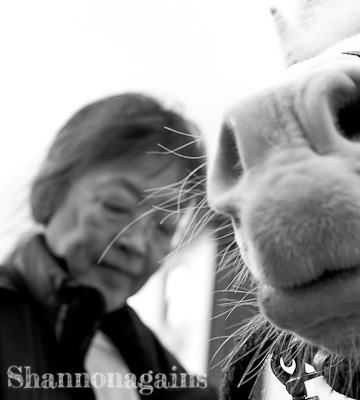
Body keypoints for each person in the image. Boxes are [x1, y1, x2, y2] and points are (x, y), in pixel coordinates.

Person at [0, 93, 219, 400]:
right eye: (116, 206)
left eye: (165, 226)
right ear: (47, 194)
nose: (135, 243)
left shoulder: (160, 369)